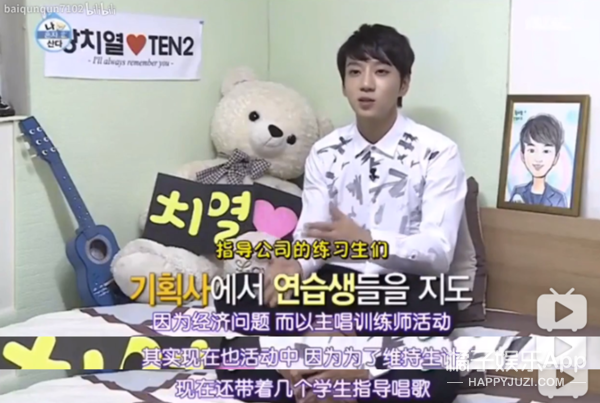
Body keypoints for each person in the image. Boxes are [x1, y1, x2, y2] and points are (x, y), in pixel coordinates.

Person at [216, 24, 466, 403]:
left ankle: (349, 371)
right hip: (334, 288)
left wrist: (368, 243)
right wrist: (294, 266)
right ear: (344, 82)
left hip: (402, 288)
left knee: (439, 347)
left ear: (403, 84)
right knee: (234, 294)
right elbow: (310, 235)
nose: (366, 83)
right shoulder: (325, 151)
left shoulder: (437, 152)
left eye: (381, 72)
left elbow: (438, 252)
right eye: (354, 71)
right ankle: (314, 364)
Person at [509, 114, 567, 207]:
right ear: (522, 155)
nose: (538, 158)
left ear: (556, 158)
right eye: (532, 150)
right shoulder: (517, 192)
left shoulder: (558, 198)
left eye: (546, 151)